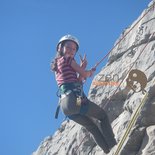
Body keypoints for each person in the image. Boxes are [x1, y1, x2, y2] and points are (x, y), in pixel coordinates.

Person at [51, 34, 116, 154]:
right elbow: (85, 75)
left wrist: (83, 68)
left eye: (74, 49)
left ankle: (108, 151)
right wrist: (88, 71)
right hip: (74, 100)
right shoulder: (68, 59)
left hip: (66, 106)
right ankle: (113, 146)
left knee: (91, 127)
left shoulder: (57, 65)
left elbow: (78, 82)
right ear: (61, 48)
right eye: (69, 47)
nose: (71, 51)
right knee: (102, 116)